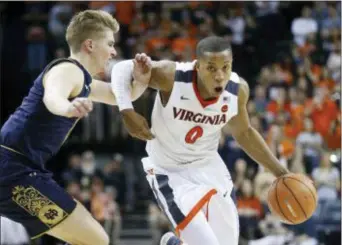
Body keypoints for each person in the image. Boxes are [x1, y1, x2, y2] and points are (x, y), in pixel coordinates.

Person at [111, 36, 290, 245]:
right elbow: (121, 68)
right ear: (197, 66)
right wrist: (126, 111)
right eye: (211, 68)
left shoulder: (237, 90)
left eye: (225, 67)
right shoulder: (173, 77)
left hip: (209, 167)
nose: (219, 75)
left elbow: (244, 133)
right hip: (169, 171)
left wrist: (281, 172)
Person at [0, 9, 150, 245]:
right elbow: (53, 97)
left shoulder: (84, 82)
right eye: (109, 44)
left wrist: (141, 81)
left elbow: (120, 94)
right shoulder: (67, 70)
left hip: (18, 169)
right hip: (12, 169)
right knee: (95, 239)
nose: (113, 51)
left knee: (89, 239)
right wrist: (68, 109)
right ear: (90, 45)